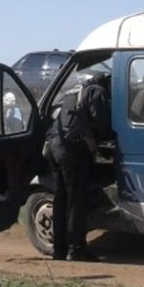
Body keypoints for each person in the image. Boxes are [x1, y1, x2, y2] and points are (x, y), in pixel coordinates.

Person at [44, 70, 113, 262]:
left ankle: (59, 249)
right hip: (71, 149)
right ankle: (77, 249)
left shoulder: (74, 91)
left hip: (54, 146)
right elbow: (102, 123)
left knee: (61, 198)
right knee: (76, 199)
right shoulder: (97, 91)